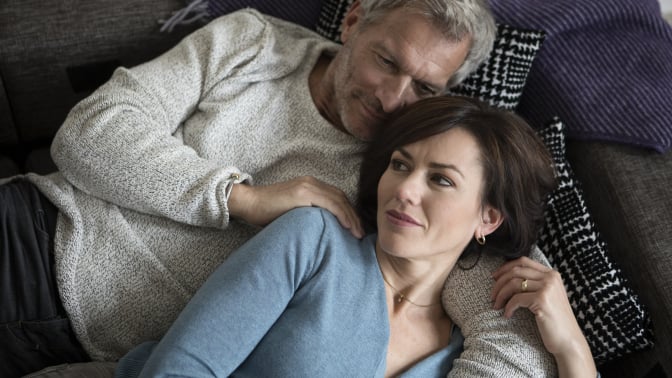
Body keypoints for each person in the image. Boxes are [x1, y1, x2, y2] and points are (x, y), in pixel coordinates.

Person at [0, 0, 552, 376]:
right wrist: (242, 198)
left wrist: (566, 332)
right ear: (354, 19)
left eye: (425, 86)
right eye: (387, 61)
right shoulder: (253, 42)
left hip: (96, 335)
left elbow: (502, 303)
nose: (393, 98)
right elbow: (87, 132)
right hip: (38, 229)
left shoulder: (403, 172)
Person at [113, 96, 597, 378]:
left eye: (441, 180)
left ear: (488, 219)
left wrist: (573, 349)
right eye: (401, 165)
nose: (405, 190)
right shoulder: (315, 240)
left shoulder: (457, 354)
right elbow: (179, 370)